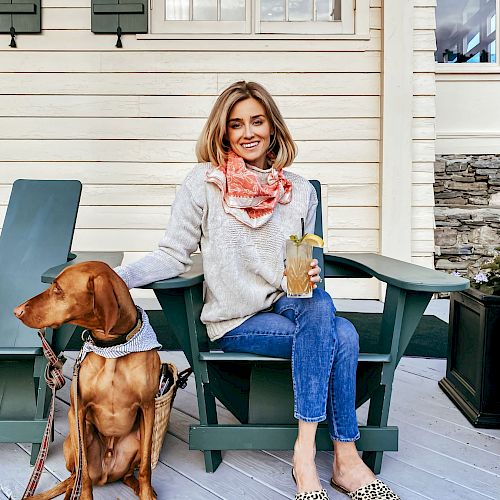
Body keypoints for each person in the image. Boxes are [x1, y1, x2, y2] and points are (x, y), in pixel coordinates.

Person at [114, 81, 400, 500]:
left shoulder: (299, 191)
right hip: (237, 319)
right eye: (236, 124)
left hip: (291, 304)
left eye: (257, 121)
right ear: (223, 132)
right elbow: (172, 256)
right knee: (344, 335)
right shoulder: (204, 183)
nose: (247, 132)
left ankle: (310, 453)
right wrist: (113, 277)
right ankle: (343, 457)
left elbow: (296, 263)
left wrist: (302, 275)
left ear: (272, 127)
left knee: (322, 309)